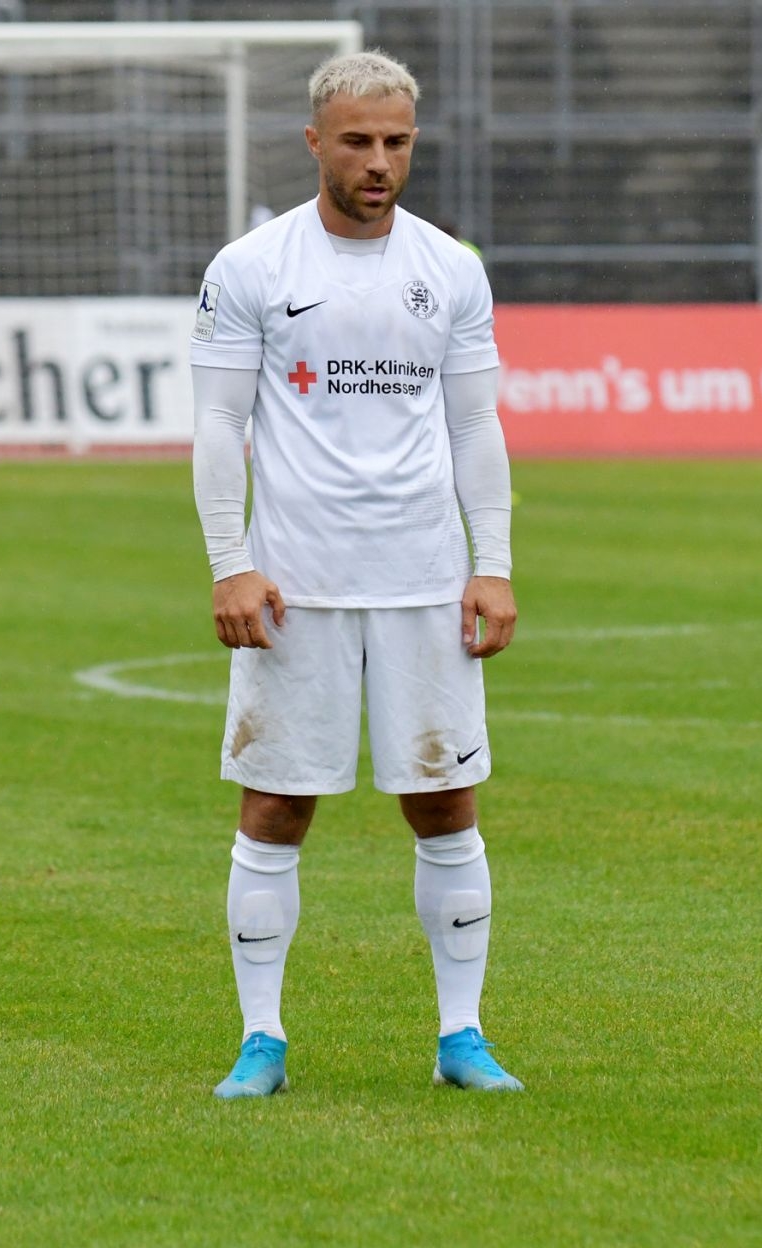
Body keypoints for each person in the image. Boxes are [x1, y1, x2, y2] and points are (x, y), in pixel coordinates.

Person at [188, 49, 520, 1098]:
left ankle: (461, 1036)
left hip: (424, 581)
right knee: (276, 807)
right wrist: (230, 564)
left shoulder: (450, 268)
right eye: (360, 142)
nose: (380, 162)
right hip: (297, 587)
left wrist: (493, 565)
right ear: (315, 143)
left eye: (398, 144)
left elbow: (475, 423)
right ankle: (261, 1038)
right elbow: (217, 424)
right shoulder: (252, 266)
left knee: (446, 801)